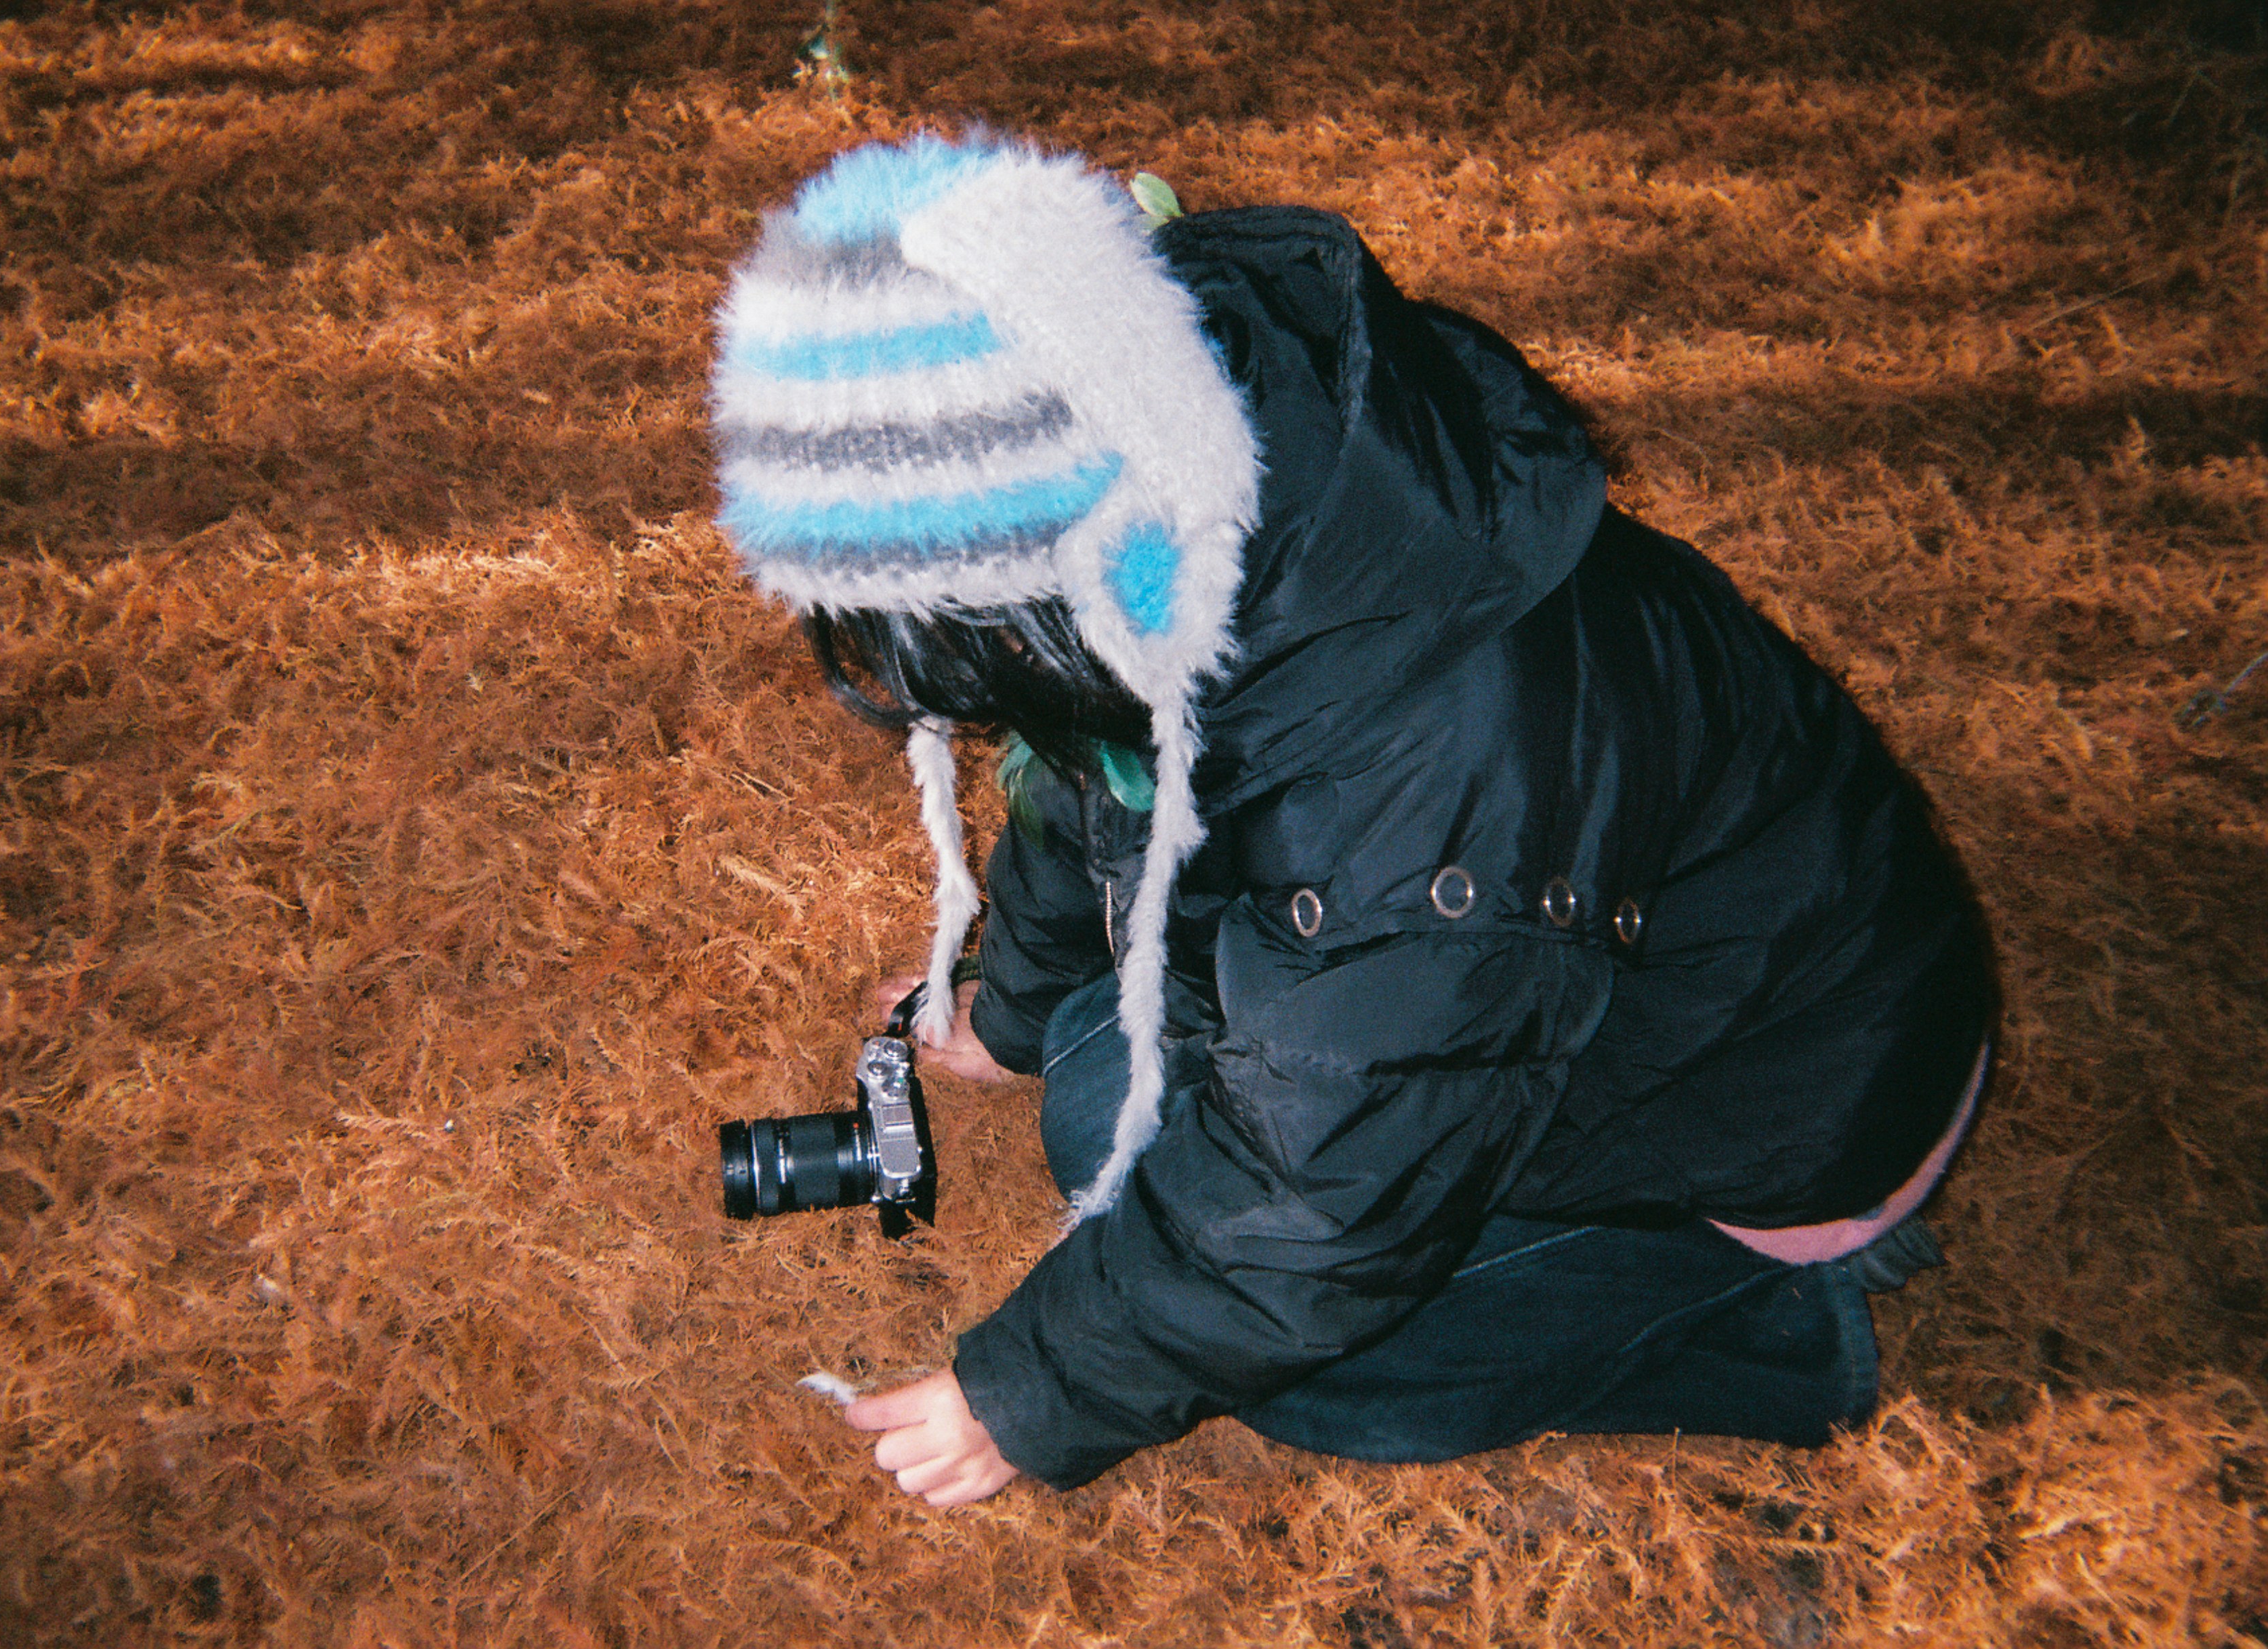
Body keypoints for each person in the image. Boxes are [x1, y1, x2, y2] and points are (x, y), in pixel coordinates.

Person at [708, 134, 1996, 1507]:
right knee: (1100, 1096)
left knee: (1310, 1359)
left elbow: (1317, 1216)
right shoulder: (1168, 448)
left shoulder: (1433, 780)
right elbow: (1096, 761)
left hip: (1772, 1116)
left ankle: (1785, 1335)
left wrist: (1028, 1392)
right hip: (1554, 965)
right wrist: (1010, 1011)